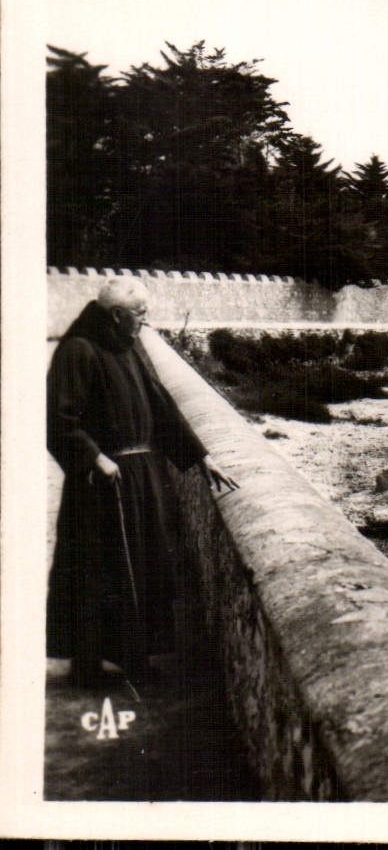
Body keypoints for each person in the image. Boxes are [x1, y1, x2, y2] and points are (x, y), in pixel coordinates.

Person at [46, 277, 236, 688]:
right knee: (96, 571)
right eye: (140, 313)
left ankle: (134, 657)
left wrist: (201, 457)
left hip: (144, 478)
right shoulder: (79, 349)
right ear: (116, 315)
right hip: (101, 482)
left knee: (143, 567)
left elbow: (162, 408)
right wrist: (96, 457)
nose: (145, 320)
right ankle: (87, 666)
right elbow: (58, 420)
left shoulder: (130, 347)